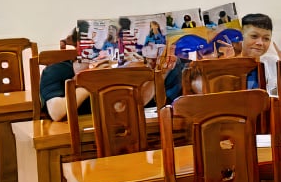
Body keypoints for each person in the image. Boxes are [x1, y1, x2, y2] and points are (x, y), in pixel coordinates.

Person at [40, 28, 183, 121]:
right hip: (75, 134)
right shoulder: (55, 71)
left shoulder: (117, 69)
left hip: (117, 130)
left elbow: (131, 105)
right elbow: (56, 112)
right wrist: (91, 78)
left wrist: (162, 72)